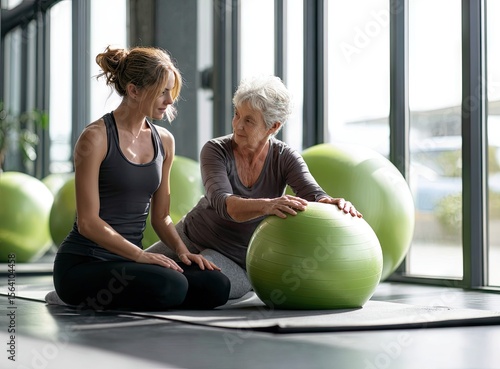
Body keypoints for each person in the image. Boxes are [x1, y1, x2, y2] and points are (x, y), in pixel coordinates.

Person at [146, 75, 362, 300]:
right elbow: (222, 203)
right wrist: (267, 206)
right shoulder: (215, 150)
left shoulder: (285, 158)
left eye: (249, 120)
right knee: (132, 270)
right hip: (189, 237)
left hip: (236, 260)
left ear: (273, 126)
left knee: (198, 285)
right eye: (237, 114)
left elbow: (314, 195)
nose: (238, 125)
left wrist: (333, 204)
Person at [48, 46, 230, 311]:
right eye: (163, 91)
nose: (170, 100)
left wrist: (182, 252)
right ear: (134, 90)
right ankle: (69, 294)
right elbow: (88, 223)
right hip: (84, 263)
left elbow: (161, 216)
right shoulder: (96, 137)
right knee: (172, 286)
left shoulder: (164, 141)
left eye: (171, 91)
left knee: (216, 286)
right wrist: (141, 255)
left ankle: (150, 287)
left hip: (128, 263)